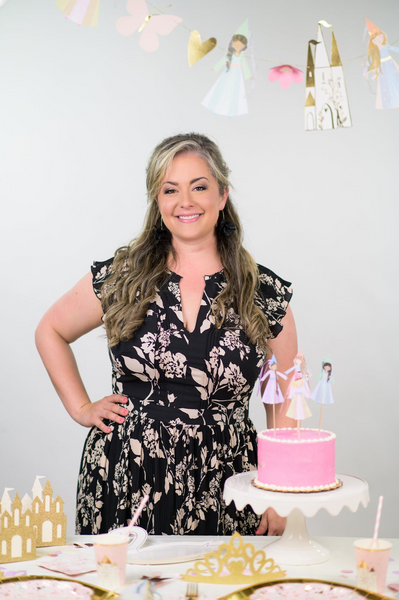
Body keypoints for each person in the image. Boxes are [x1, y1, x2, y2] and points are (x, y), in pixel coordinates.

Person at [35, 133, 297, 537]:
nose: (185, 201)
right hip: (128, 471)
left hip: (229, 479)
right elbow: (50, 329)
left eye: (199, 186)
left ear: (223, 195)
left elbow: (285, 397)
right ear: (157, 202)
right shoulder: (123, 276)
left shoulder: (261, 291)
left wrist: (280, 489)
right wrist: (81, 407)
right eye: (170, 189)